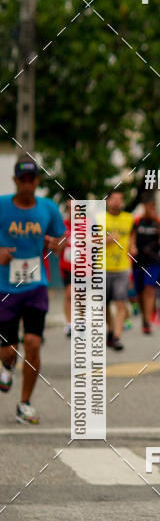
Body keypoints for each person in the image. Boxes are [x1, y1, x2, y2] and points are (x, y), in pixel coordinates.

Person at [0, 158, 65, 424]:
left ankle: (24, 403)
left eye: (31, 180)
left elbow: (60, 238)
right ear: (15, 181)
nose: (27, 184)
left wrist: (55, 244)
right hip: (5, 288)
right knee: (9, 350)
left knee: (33, 343)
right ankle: (6, 365)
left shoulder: (49, 208)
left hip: (37, 285)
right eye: (22, 180)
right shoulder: (2, 206)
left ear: (37, 181)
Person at [130, 195, 160, 334]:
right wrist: (132, 247)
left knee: (149, 289)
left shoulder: (158, 222)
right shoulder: (137, 222)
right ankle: (144, 317)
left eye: (153, 207)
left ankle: (147, 322)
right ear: (144, 207)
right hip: (138, 262)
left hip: (154, 261)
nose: (151, 209)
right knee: (140, 292)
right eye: (149, 206)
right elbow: (132, 237)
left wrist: (157, 223)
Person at [105, 191, 134, 351]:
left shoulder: (129, 219)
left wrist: (133, 246)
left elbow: (132, 236)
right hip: (102, 266)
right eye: (114, 199)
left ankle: (117, 336)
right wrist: (106, 240)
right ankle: (110, 329)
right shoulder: (99, 218)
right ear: (108, 201)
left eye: (120, 199)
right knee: (103, 305)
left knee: (120, 302)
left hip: (122, 267)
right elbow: (88, 239)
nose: (117, 202)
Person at [59, 199, 73, 337]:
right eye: (69, 207)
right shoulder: (62, 225)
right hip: (67, 266)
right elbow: (57, 247)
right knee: (69, 294)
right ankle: (69, 323)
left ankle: (80, 322)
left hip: (83, 266)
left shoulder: (87, 224)